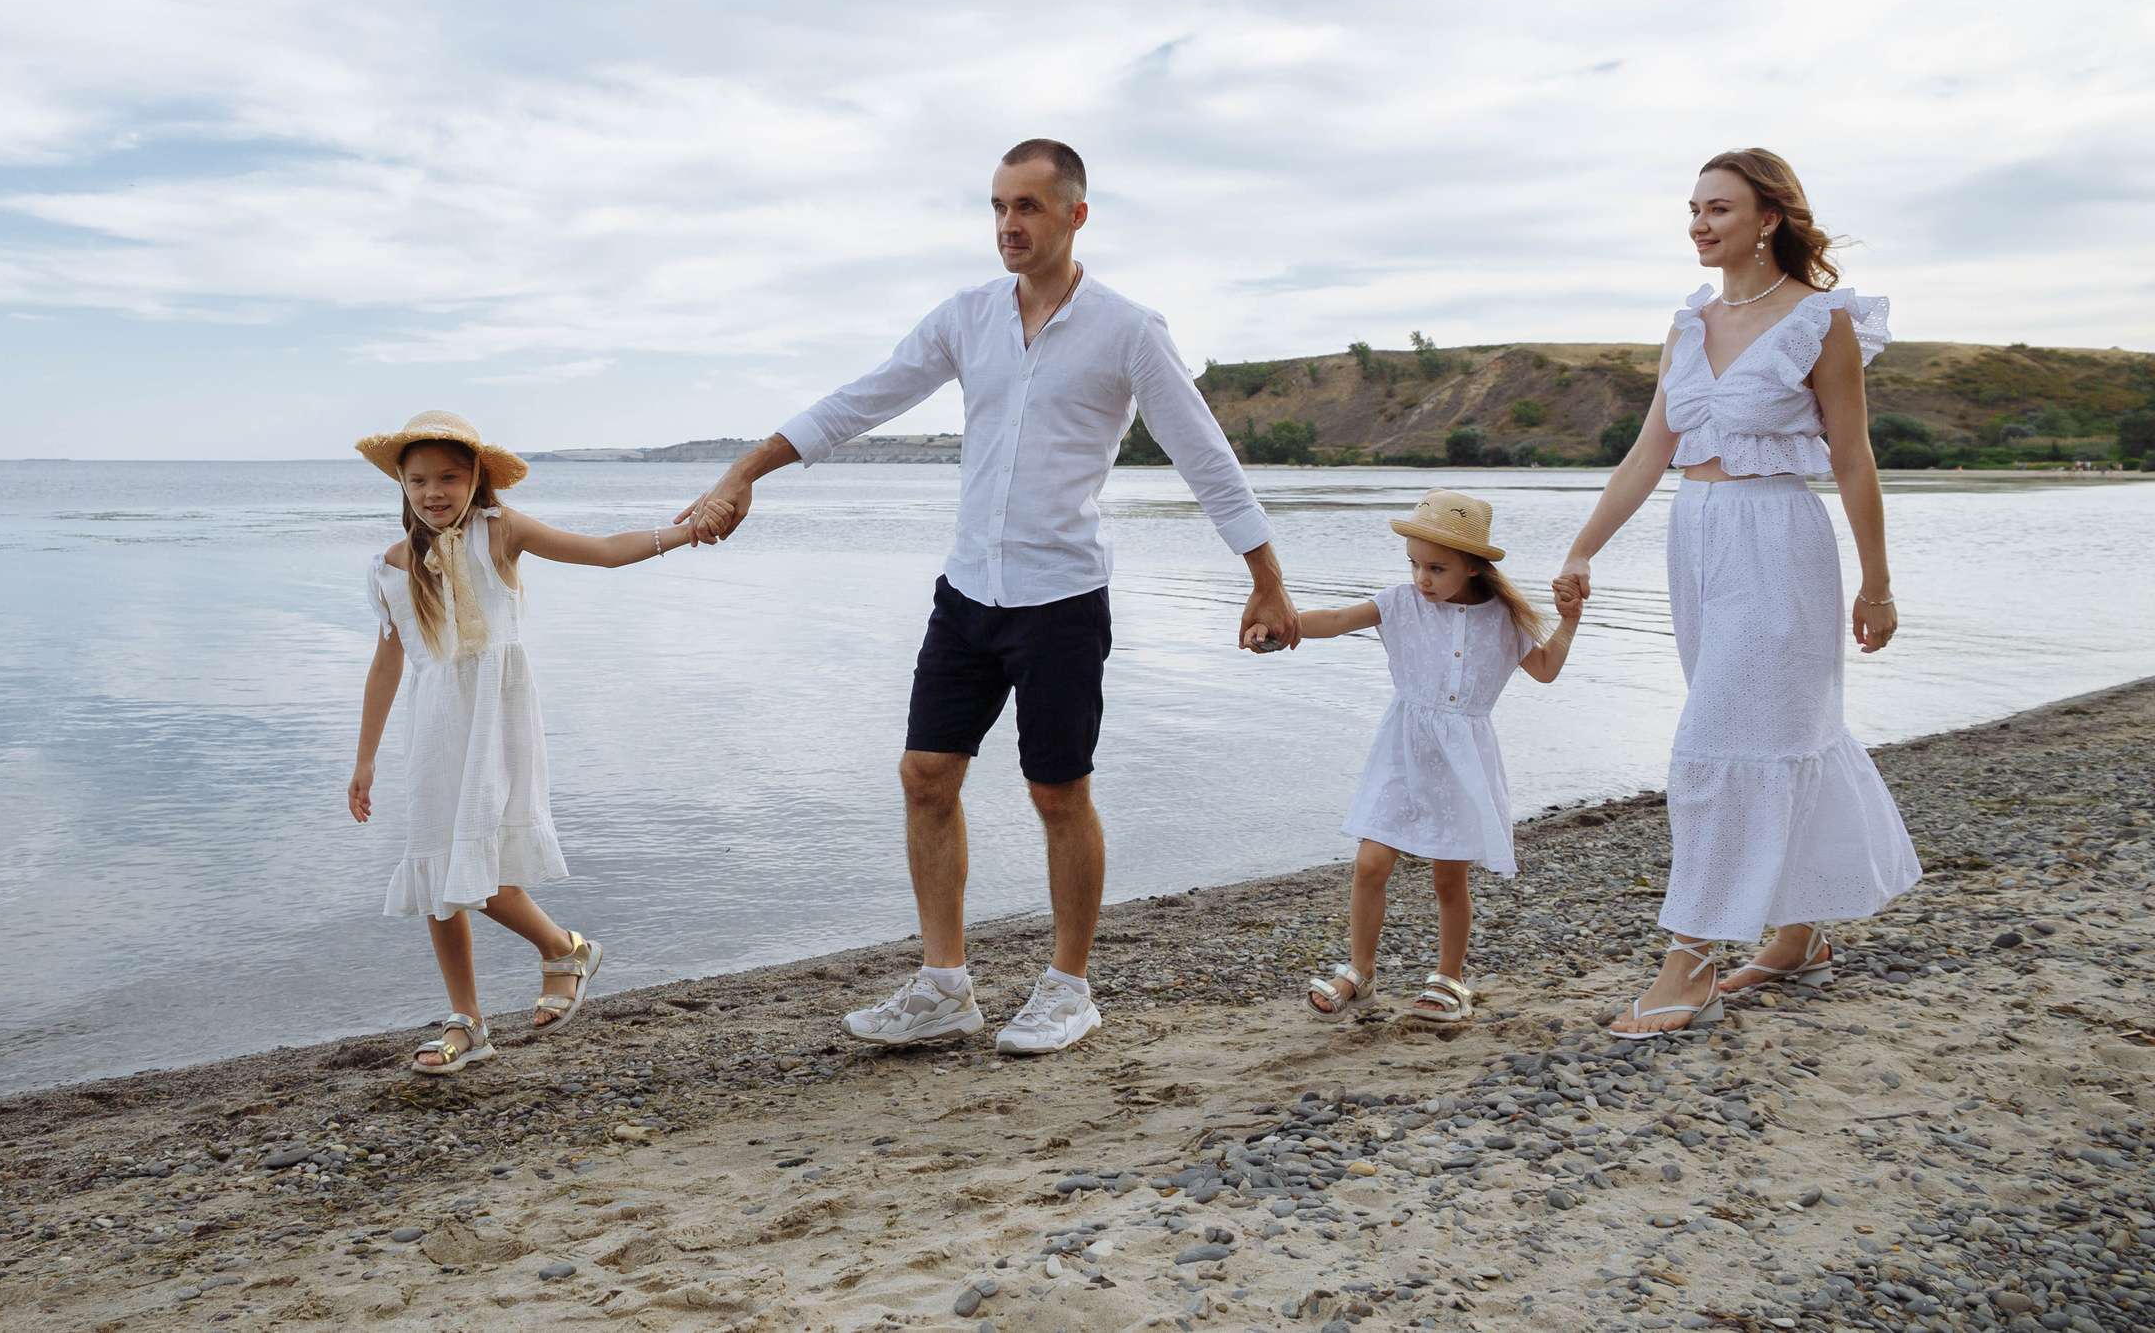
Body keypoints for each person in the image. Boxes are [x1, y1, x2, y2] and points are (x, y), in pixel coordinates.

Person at [677, 139, 1300, 1056]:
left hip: (1060, 597)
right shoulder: (966, 317)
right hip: (967, 592)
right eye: (999, 207)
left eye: (1029, 208)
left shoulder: (1128, 329)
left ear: (1075, 215)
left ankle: (1069, 986)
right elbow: (863, 400)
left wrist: (1268, 582)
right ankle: (944, 985)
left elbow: (1205, 456)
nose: (1010, 224)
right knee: (925, 775)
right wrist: (747, 470)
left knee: (1058, 792)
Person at [1556, 150, 1919, 1039]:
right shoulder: (1687, 324)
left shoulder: (1819, 320)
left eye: (1718, 208)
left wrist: (1877, 583)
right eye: (1691, 209)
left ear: (1768, 219)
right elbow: (1650, 453)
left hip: (1778, 543)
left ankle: (1694, 958)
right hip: (1698, 539)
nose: (1699, 224)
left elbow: (1852, 456)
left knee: (1721, 739)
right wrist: (1582, 548)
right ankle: (1795, 934)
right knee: (1777, 731)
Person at [349, 410, 725, 1075]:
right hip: (435, 729)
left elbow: (603, 551)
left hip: (494, 719)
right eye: (417, 481)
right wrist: (366, 757)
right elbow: (387, 665)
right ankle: (469, 1018)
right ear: (401, 486)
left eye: (448, 477)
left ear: (476, 480)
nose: (433, 492)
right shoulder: (392, 565)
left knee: (481, 866)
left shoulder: (501, 533)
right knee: (438, 868)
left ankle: (561, 947)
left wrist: (684, 533)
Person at [1284, 491, 1583, 1025]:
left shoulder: (1503, 622)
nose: (1422, 578)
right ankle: (1361, 973)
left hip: (1463, 762)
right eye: (1415, 565)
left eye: (1437, 568)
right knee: (1370, 863)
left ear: (1472, 567)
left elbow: (1545, 669)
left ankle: (1450, 979)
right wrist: (1282, 625)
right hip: (1402, 754)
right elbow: (1333, 618)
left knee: (1449, 878)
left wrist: (1569, 619)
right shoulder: (1400, 604)